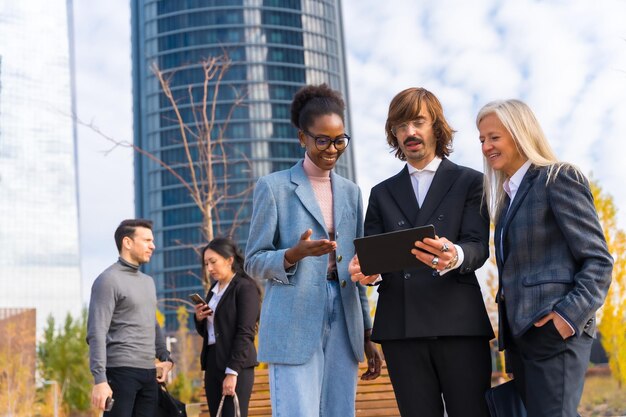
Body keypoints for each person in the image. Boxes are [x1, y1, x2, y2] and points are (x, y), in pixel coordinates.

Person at [350, 87, 494, 417]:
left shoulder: (470, 182)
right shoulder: (381, 193)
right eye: (400, 126)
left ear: (436, 127)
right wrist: (367, 272)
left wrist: (454, 254)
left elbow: (477, 246)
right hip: (402, 330)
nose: (409, 133)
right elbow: (372, 256)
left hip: (459, 325)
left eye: (417, 122)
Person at [244, 84, 382, 417]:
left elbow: (355, 264)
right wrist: (293, 254)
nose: (332, 149)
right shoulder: (273, 187)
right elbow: (252, 261)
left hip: (344, 317)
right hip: (293, 318)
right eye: (322, 140)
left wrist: (366, 331)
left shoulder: (351, 193)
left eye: (339, 140)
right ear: (302, 138)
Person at [477, 99, 613, 416]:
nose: (486, 147)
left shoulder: (558, 178)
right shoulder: (506, 201)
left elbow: (599, 261)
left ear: (520, 132)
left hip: (555, 334)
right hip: (523, 338)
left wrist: (565, 320)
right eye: (482, 139)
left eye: (494, 137)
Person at [87, 219, 174, 416]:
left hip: (149, 374)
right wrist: (100, 379)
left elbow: (151, 323)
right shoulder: (108, 280)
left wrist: (165, 357)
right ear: (127, 242)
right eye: (147, 240)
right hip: (120, 372)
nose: (153, 246)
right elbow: (96, 332)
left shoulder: (148, 282)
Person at [193, 237, 261, 417]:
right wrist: (200, 319)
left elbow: (245, 332)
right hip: (213, 362)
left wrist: (232, 372)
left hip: (236, 363)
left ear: (230, 259)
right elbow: (210, 332)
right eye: (206, 263)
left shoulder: (245, 288)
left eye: (213, 262)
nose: (209, 268)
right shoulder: (213, 291)